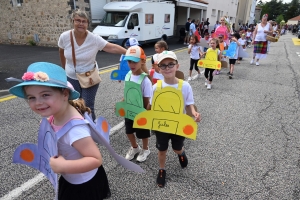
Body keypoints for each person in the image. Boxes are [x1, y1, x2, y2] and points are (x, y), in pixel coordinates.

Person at [8, 62, 111, 199]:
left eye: (45, 95)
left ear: (65, 94)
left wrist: (64, 166)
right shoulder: (57, 113)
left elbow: (95, 159)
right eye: (31, 97)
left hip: (83, 183)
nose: (38, 102)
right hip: (71, 176)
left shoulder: (75, 130)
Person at [58, 9, 127, 120]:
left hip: (89, 76)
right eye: (78, 20)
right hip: (71, 77)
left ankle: (92, 131)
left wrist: (129, 52)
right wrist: (63, 69)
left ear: (87, 23)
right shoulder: (65, 37)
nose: (81, 23)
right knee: (74, 105)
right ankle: (79, 128)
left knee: (87, 106)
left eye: (84, 21)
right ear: (72, 21)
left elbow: (111, 47)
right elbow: (61, 51)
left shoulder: (94, 39)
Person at [148, 50, 201, 187]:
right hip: (161, 126)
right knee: (162, 150)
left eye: (170, 64)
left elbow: (189, 104)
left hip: (178, 125)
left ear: (177, 66)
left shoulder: (185, 86)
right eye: (163, 65)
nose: (167, 68)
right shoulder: (155, 87)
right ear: (159, 69)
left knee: (176, 148)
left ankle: (181, 152)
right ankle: (162, 169)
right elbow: (152, 107)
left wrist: (194, 113)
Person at [121, 46, 153, 162]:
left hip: (140, 112)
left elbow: (146, 99)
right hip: (129, 111)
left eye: (135, 61)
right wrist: (122, 103)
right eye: (129, 61)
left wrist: (145, 113)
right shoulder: (128, 75)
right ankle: (135, 147)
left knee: (143, 133)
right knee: (128, 131)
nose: (131, 64)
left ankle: (145, 149)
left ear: (143, 61)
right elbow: (126, 92)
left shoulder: (145, 80)